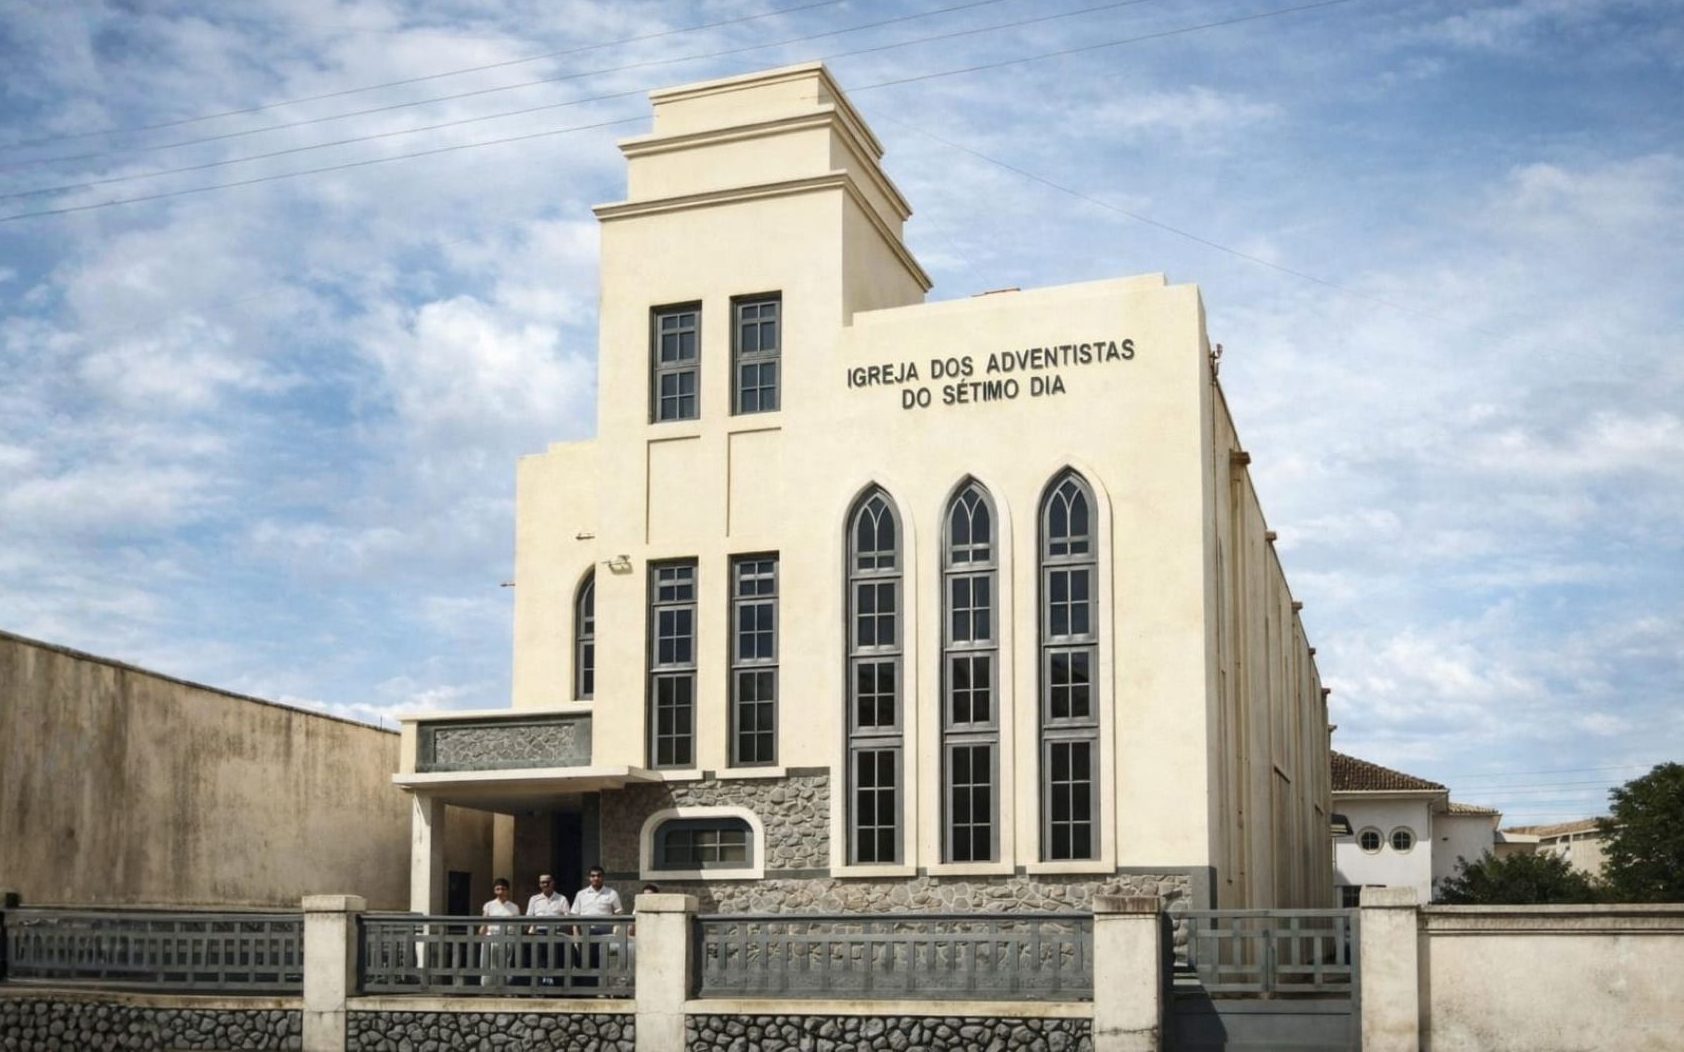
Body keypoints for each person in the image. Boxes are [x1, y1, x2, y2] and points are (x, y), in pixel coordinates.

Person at [569, 866, 623, 987]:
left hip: (606, 933)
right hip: (586, 932)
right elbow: (574, 916)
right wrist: (576, 938)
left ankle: (603, 989)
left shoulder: (612, 893)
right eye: (593, 876)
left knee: (604, 962)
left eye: (599, 875)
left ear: (603, 877)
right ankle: (588, 990)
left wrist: (615, 932)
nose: (596, 878)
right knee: (587, 962)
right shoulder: (581, 894)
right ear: (589, 878)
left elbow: (619, 914)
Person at [526, 874, 569, 987]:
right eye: (542, 882)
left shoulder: (562, 898)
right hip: (539, 933)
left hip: (557, 933)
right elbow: (529, 917)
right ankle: (539, 986)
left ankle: (558, 987)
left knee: (557, 961)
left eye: (547, 882)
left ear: (553, 883)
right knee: (539, 961)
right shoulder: (534, 899)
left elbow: (567, 918)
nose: (545, 884)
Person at [478, 878, 520, 986]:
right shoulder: (489, 905)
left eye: (503, 889)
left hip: (508, 936)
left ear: (507, 890)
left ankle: (505, 985)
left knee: (506, 962)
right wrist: (481, 934)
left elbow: (517, 925)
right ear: (494, 891)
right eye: (498, 889)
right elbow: (484, 922)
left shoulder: (514, 907)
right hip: (492, 935)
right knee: (490, 962)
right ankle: (488, 986)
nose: (500, 892)